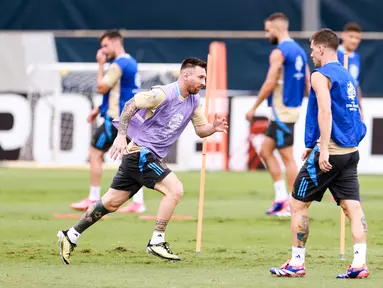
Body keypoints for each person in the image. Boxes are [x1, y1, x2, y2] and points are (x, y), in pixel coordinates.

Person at [57, 57, 228, 264]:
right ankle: (157, 241)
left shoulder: (194, 101)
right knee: (175, 190)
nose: (204, 82)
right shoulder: (162, 94)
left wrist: (213, 128)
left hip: (142, 157)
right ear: (185, 75)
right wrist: (120, 136)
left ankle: (70, 235)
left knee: (111, 203)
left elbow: (201, 130)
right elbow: (131, 104)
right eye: (201, 77)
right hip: (141, 153)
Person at [270, 28, 369, 279]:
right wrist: (314, 142)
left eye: (313, 48)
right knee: (352, 208)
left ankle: (296, 263)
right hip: (350, 151)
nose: (311, 53)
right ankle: (359, 264)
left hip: (331, 152)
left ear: (322, 48)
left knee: (297, 204)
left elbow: (325, 112)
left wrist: (322, 149)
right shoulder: (345, 73)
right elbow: (352, 112)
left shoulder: (319, 75)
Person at [70, 30, 146, 214]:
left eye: (105, 46)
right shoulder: (131, 62)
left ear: (114, 43)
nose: (103, 50)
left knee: (95, 153)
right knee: (132, 156)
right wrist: (98, 109)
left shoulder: (117, 64)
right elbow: (119, 91)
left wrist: (100, 65)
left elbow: (102, 87)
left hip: (115, 119)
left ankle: (93, 196)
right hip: (130, 117)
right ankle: (138, 202)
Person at [245, 12, 310, 217]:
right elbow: (307, 81)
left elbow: (270, 82)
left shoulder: (279, 52)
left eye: (267, 30)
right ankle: (281, 198)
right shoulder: (299, 51)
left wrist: (254, 107)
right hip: (288, 110)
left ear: (278, 29)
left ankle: (293, 204)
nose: (266, 35)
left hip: (283, 111)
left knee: (287, 157)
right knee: (265, 151)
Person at [337, 22, 363, 120]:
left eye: (357, 38)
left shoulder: (356, 57)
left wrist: (360, 108)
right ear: (343, 36)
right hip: (338, 105)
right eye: (351, 37)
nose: (354, 41)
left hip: (351, 106)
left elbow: (356, 84)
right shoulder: (336, 54)